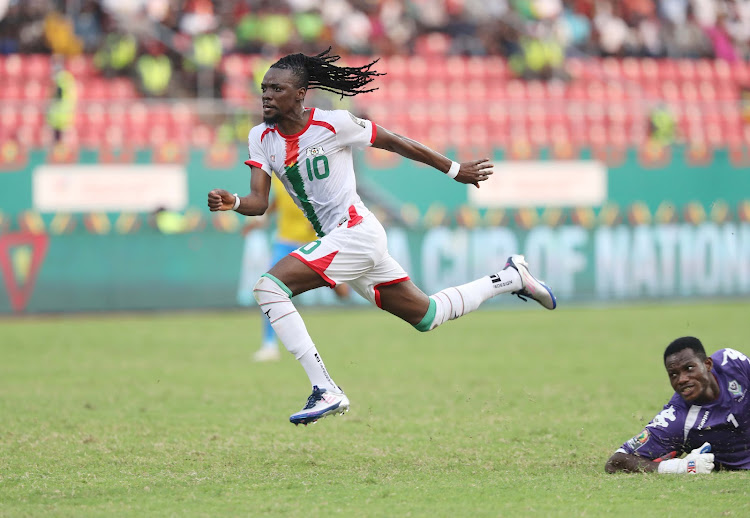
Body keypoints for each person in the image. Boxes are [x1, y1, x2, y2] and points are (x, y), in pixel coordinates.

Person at [207, 48, 557, 426]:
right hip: (341, 241)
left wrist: (455, 170)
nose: (267, 95)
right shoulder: (260, 136)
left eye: (276, 88)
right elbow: (259, 202)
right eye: (263, 88)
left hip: (356, 233)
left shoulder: (334, 123)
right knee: (428, 315)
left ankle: (325, 389)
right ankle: (511, 277)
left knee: (269, 287)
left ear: (300, 93)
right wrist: (235, 201)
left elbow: (395, 141)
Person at [605, 336, 750, 474]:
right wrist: (679, 467)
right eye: (673, 374)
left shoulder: (730, 362)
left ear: (707, 364)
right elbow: (615, 462)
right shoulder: (676, 419)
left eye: (689, 368)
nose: (682, 379)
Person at [247, 175, 349, 362]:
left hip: (313, 242)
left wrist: (320, 219)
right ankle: (269, 345)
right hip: (284, 241)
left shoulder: (308, 171)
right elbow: (279, 200)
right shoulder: (276, 172)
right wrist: (262, 218)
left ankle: (345, 280)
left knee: (343, 292)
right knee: (267, 287)